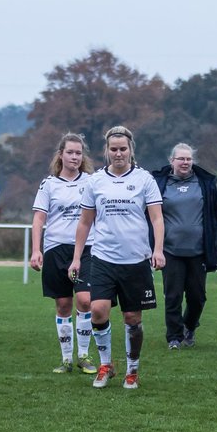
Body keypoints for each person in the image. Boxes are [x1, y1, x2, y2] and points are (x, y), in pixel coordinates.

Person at [69, 126, 165, 389]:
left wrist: (157, 250)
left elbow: (156, 217)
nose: (118, 153)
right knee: (98, 310)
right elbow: (84, 222)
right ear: (107, 151)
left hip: (136, 260)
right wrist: (77, 258)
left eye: (123, 149)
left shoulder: (145, 179)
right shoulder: (95, 181)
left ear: (130, 150)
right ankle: (106, 364)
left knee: (132, 317)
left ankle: (132, 370)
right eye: (114, 149)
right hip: (102, 258)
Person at [151, 143, 217, 349]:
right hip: (170, 251)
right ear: (172, 161)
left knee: (197, 297)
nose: (185, 162)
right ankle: (174, 338)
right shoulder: (158, 184)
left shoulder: (206, 184)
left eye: (189, 159)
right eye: (181, 159)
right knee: (173, 296)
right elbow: (148, 216)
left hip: (199, 251)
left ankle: (189, 326)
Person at [29, 133, 98, 374]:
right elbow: (39, 219)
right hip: (56, 249)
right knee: (63, 304)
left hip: (87, 247)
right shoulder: (49, 184)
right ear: (61, 155)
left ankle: (84, 355)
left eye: (79, 153)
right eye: (70, 152)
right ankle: (67, 359)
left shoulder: (91, 182)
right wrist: (36, 250)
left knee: (85, 300)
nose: (75, 157)